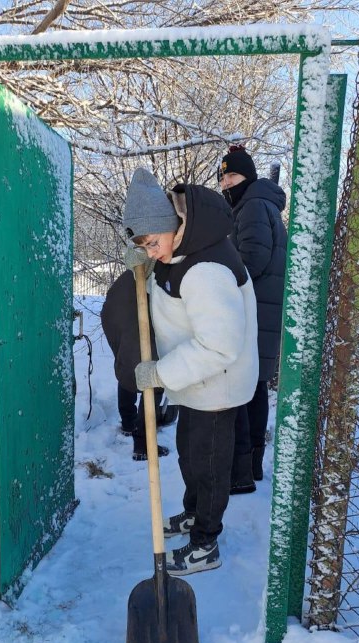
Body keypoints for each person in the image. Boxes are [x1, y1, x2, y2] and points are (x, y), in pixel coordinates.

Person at [122, 167, 258, 575]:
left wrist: (160, 374)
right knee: (191, 457)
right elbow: (168, 295)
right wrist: (144, 269)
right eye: (143, 245)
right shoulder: (181, 248)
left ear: (173, 224)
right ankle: (193, 514)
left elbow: (218, 346)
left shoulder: (206, 270)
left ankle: (206, 543)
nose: (152, 252)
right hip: (195, 383)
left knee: (210, 466)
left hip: (216, 385)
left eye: (153, 243)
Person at [218, 144, 287, 490]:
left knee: (246, 389)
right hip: (261, 311)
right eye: (223, 176)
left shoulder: (254, 207)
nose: (226, 183)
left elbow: (251, 261)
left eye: (232, 175)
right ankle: (251, 467)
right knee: (254, 387)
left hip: (256, 314)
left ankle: (243, 472)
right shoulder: (257, 205)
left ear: (248, 177)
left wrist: (215, 277)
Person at [100, 269, 172, 461]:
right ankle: (144, 445)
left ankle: (128, 422)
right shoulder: (159, 274)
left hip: (121, 326)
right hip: (138, 326)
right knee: (154, 380)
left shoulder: (130, 274)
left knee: (128, 369)